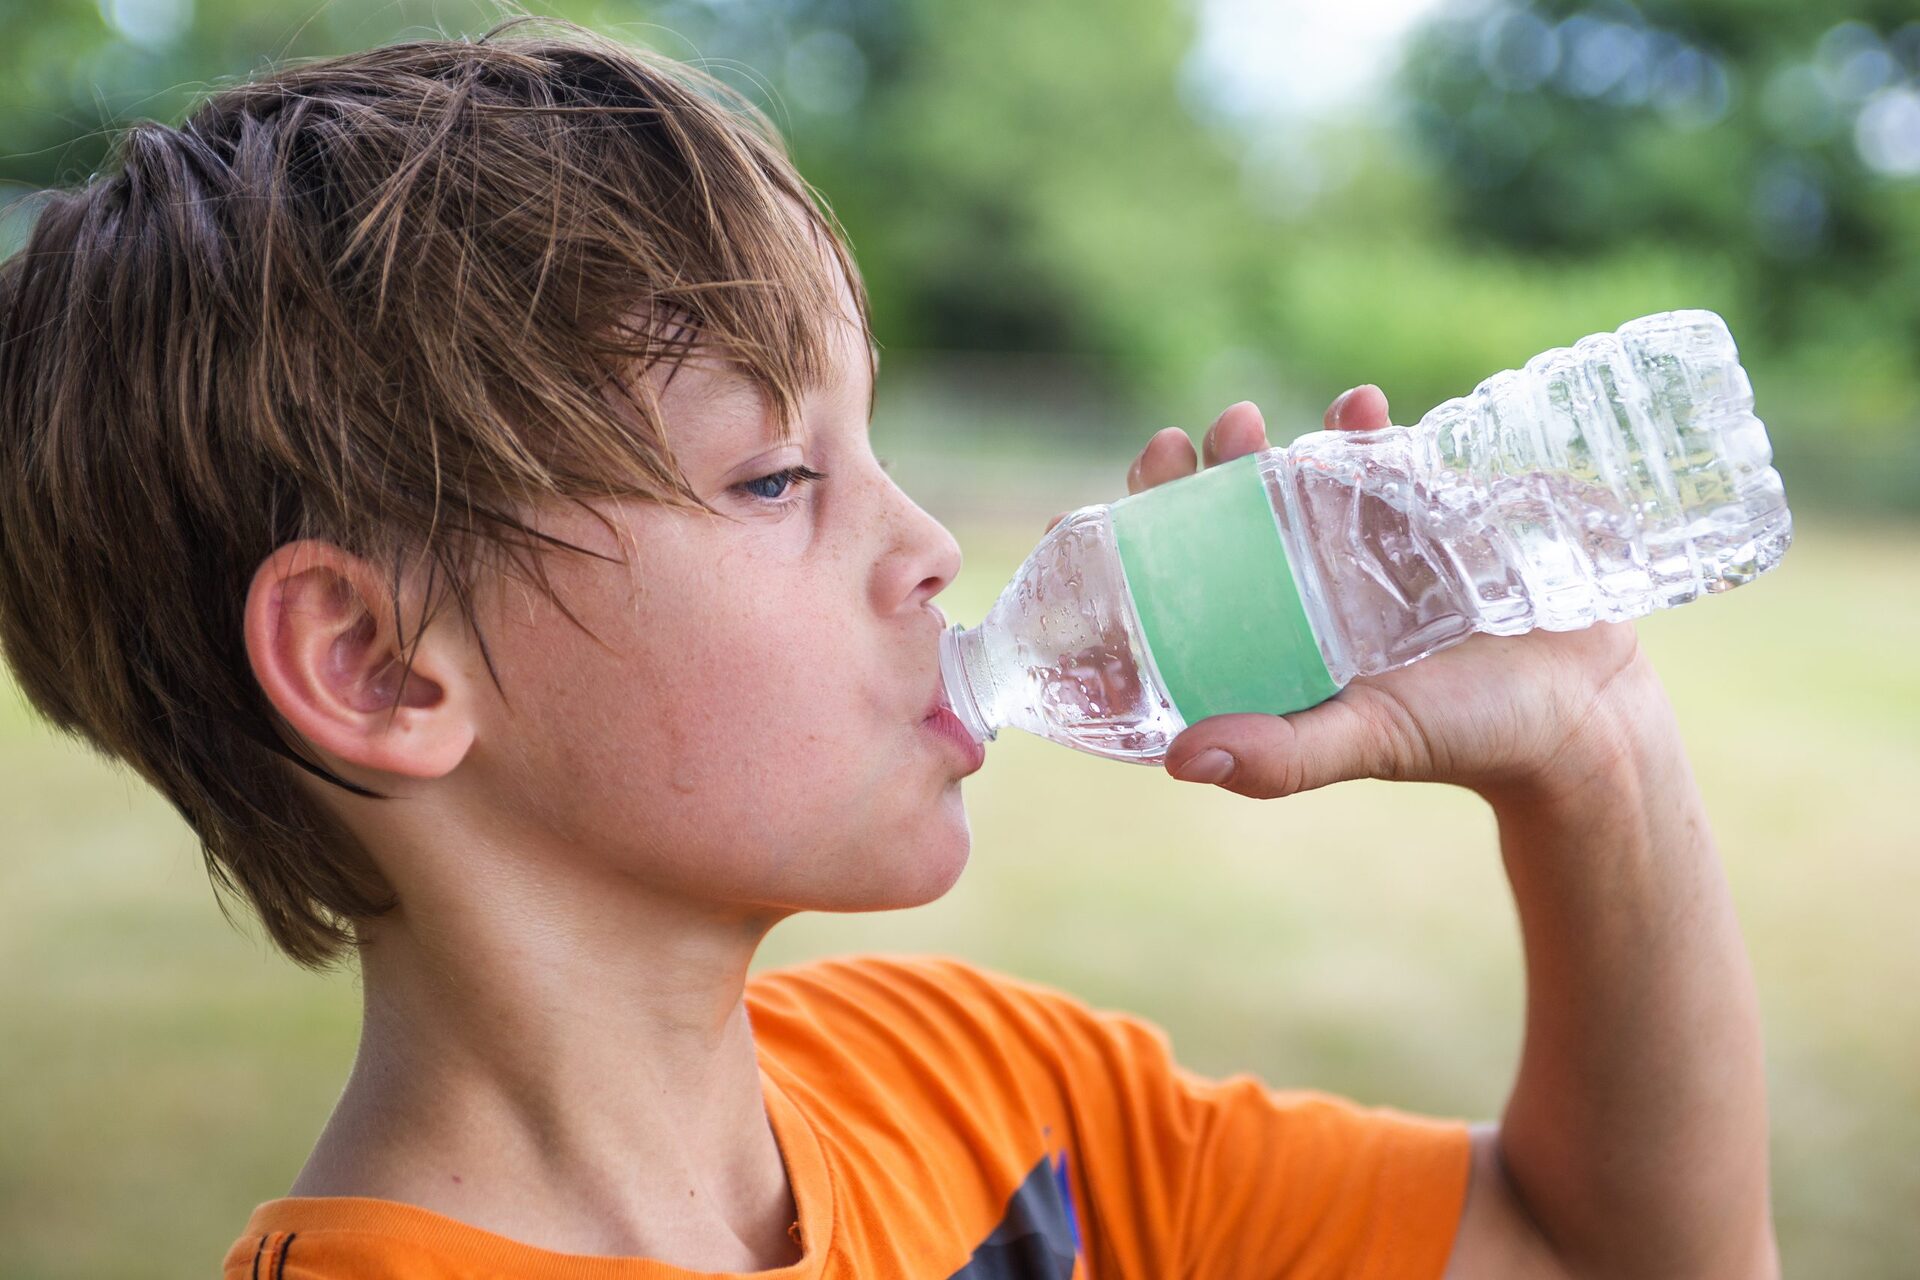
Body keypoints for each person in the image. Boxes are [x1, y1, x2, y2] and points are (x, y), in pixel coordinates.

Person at [0, 18, 1775, 1279]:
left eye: (871, 441)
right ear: (384, 666)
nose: (929, 548)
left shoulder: (984, 1094)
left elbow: (1604, 1253)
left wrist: (1591, 741)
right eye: (778, 475)